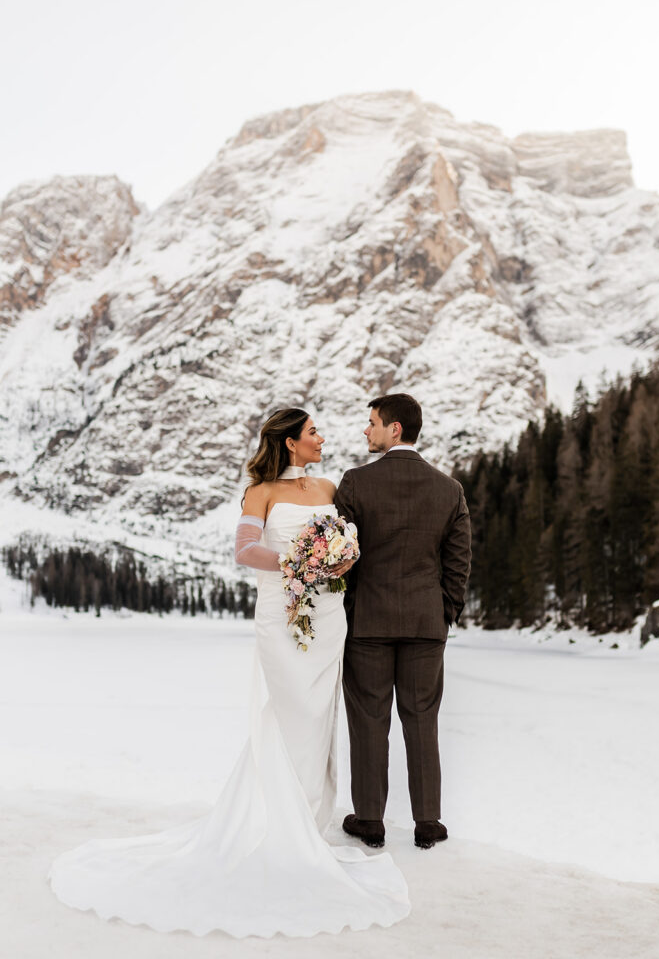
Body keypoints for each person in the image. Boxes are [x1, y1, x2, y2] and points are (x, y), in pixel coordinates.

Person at [48, 407, 410, 938]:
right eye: (313, 432)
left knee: (320, 715)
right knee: (290, 713)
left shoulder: (330, 485)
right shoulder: (260, 493)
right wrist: (300, 564)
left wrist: (340, 559)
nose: (322, 437)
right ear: (290, 443)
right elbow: (245, 550)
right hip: (283, 613)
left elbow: (346, 546)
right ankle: (273, 827)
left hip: (329, 617)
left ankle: (308, 825)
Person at [334, 394, 471, 850]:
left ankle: (370, 821)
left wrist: (352, 613)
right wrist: (444, 613)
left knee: (369, 721)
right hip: (426, 624)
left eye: (371, 423)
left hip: (368, 625)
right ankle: (427, 822)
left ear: (395, 429)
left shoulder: (355, 483)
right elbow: (458, 565)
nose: (366, 431)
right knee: (422, 721)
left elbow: (343, 559)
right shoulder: (448, 489)